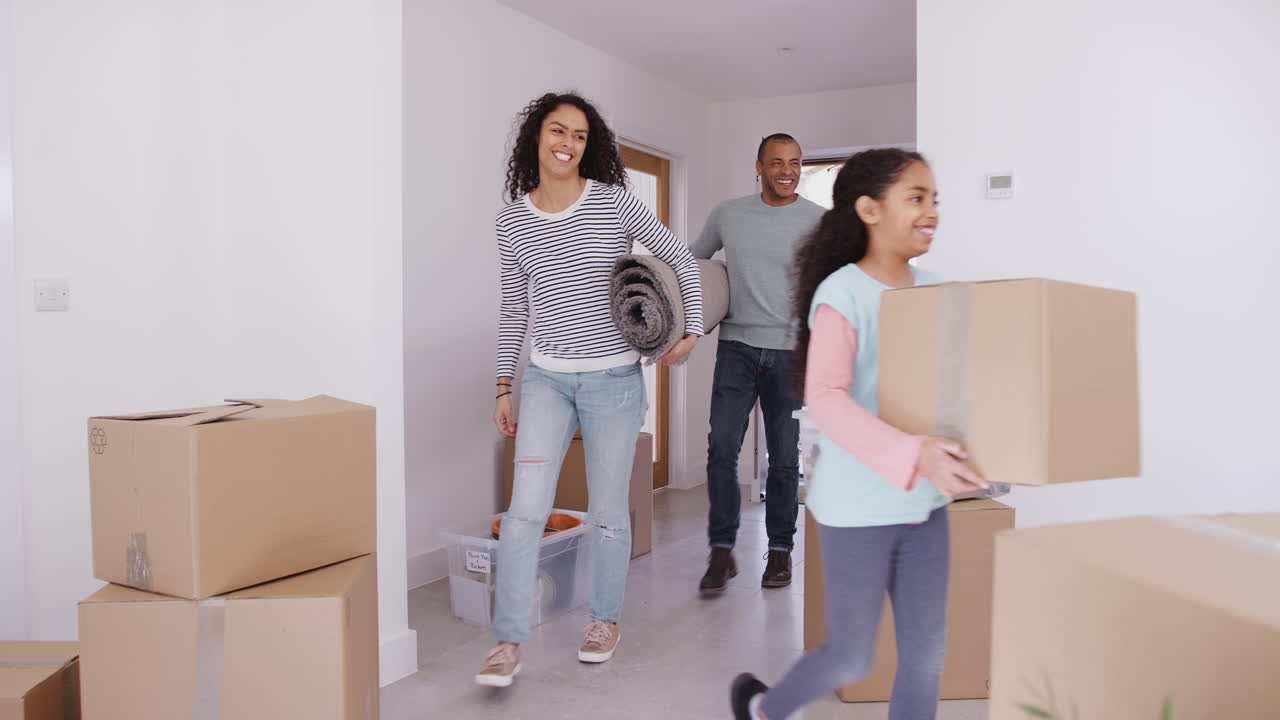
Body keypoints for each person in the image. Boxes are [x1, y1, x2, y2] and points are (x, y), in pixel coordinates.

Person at [729, 148, 988, 719]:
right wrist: (915, 452)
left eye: (935, 199)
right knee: (850, 657)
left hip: (924, 505)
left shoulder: (937, 289)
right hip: (857, 507)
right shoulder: (842, 293)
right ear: (870, 210)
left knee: (926, 658)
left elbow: (954, 390)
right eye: (915, 198)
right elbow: (826, 398)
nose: (931, 211)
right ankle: (767, 708)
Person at [475, 92, 704, 688]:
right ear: (536, 136)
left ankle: (604, 622)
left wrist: (693, 330)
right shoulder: (511, 220)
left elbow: (682, 260)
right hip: (545, 379)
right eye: (558, 130)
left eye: (579, 135)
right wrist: (503, 385)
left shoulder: (612, 202)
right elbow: (514, 308)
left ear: (588, 145)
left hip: (613, 381)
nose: (568, 143)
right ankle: (507, 641)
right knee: (525, 511)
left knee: (607, 512)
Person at [692, 133, 825, 593]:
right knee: (721, 449)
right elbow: (693, 262)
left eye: (795, 163)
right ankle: (721, 551)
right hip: (736, 348)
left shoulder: (818, 220)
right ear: (759, 166)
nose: (787, 171)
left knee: (785, 457)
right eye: (777, 162)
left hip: (791, 352)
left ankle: (781, 551)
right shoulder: (728, 214)